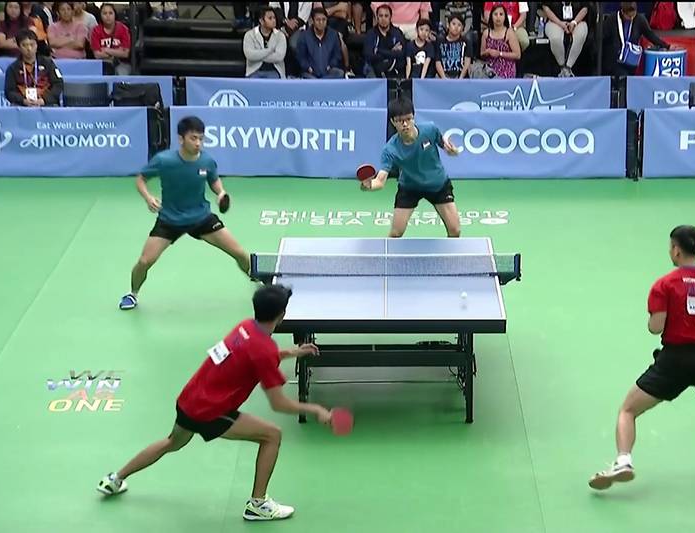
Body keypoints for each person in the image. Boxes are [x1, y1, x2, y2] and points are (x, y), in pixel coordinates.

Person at [98, 284, 333, 521]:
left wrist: (291, 352)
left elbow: (253, 355)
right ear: (282, 315)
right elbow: (278, 404)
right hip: (210, 412)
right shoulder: (264, 349)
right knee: (272, 435)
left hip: (190, 399)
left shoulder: (244, 327)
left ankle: (115, 479)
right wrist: (315, 409)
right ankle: (258, 503)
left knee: (172, 442)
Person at [588, 225, 695, 491]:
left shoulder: (665, 284)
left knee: (628, 410)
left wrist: (657, 318)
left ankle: (623, 461)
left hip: (674, 361)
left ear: (676, 250)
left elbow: (655, 327)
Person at [118, 116, 249, 311]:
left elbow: (213, 179)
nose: (198, 143)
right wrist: (148, 197)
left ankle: (257, 279)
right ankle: (133, 293)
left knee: (240, 253)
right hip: (170, 219)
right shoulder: (164, 161)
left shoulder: (206, 161)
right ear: (181, 139)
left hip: (201, 217)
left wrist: (221, 192)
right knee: (145, 261)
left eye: (201, 139)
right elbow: (141, 179)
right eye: (193, 138)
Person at [360, 97, 462, 238]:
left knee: (455, 230)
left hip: (438, 185)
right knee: (395, 234)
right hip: (410, 188)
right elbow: (380, 181)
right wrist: (368, 185)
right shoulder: (390, 149)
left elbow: (444, 145)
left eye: (408, 119)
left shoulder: (430, 129)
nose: (405, 124)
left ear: (414, 117)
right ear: (392, 122)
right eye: (400, 121)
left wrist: (452, 151)